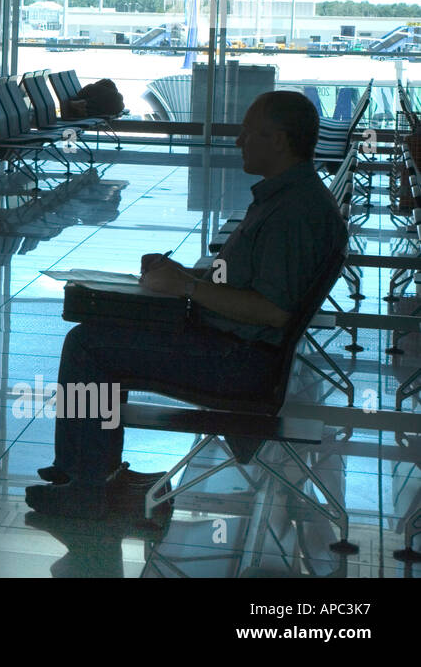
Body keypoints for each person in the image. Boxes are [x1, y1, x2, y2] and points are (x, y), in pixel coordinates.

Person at [25, 91, 348, 519]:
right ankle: (89, 468)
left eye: (249, 133)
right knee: (101, 328)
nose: (239, 141)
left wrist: (188, 288)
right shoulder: (288, 197)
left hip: (239, 361)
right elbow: (245, 281)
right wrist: (186, 275)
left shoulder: (293, 213)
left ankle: (85, 484)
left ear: (280, 141)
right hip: (231, 343)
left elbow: (273, 310)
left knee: (89, 346)